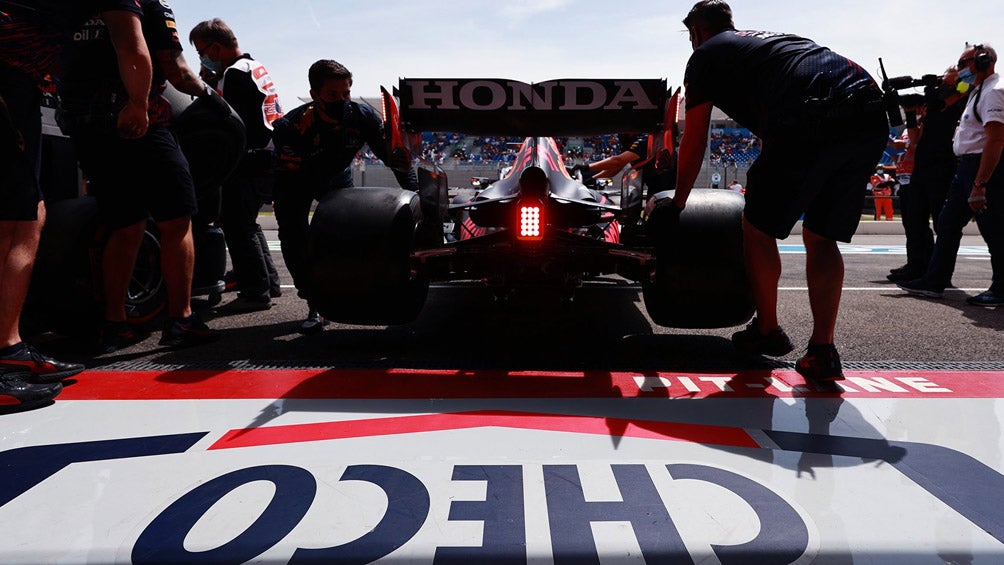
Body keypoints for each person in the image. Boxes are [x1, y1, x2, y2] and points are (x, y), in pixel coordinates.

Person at [670, 1, 887, 381]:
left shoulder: (706, 54)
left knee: (757, 227)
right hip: (870, 112)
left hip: (812, 113)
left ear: (696, 33)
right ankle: (823, 349)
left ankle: (767, 330)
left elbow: (694, 138)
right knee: (821, 237)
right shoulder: (773, 41)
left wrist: (678, 202)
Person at [0, 0, 147, 407]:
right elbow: (131, 44)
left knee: (29, 214)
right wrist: (139, 103)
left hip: (18, 80)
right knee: (15, 221)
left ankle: (9, 349)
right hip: (8, 74)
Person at [58, 0, 223, 352]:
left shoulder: (65, 8)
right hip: (140, 120)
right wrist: (211, 96)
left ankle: (114, 323)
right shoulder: (149, 3)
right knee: (177, 220)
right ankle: (181, 320)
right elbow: (174, 68)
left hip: (88, 127)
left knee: (125, 225)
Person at [272, 59, 418, 333]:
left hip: (337, 175)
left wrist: (416, 194)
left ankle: (347, 293)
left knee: (344, 234)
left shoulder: (362, 116)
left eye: (346, 93)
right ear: (315, 95)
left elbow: (394, 159)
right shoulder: (291, 126)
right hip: (295, 179)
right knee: (293, 237)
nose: (341, 100)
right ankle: (313, 300)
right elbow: (286, 178)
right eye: (332, 95)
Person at [189, 18, 283, 313]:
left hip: (250, 157)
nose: (201, 58)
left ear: (216, 48)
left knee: (237, 226)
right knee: (248, 223)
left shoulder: (233, 73)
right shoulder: (253, 66)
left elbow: (230, 121)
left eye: (202, 51)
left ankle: (255, 292)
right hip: (267, 154)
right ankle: (268, 282)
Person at [898, 44, 1004, 306]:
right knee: (946, 223)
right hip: (964, 167)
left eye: (962, 63)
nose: (959, 70)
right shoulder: (978, 90)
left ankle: (1001, 288)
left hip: (980, 168)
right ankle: (934, 282)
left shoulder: (993, 92)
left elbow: (996, 140)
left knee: (993, 230)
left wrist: (980, 184)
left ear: (982, 62)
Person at [887, 71, 968, 282]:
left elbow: (962, 90)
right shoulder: (930, 110)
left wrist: (949, 83)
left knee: (941, 224)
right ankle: (917, 265)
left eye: (944, 79)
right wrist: (911, 113)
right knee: (914, 221)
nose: (939, 82)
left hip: (942, 168)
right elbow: (915, 144)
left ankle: (937, 272)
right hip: (920, 170)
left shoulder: (959, 97)